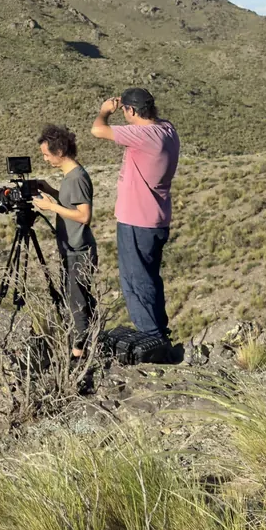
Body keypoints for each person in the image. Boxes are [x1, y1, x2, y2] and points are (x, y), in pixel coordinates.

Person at [91, 87, 179, 341]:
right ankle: (159, 332)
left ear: (130, 110)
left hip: (137, 221)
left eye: (126, 111)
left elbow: (97, 130)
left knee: (136, 281)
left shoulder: (144, 135)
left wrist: (104, 112)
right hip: (156, 218)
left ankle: (151, 339)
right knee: (149, 278)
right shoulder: (167, 130)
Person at [25, 124, 96, 358]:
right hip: (72, 248)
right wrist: (51, 191)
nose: (45, 159)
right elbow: (71, 203)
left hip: (79, 250)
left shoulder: (76, 178)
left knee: (78, 303)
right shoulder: (70, 177)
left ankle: (79, 353)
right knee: (77, 298)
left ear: (60, 151)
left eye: (46, 154)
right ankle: (87, 343)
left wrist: (51, 206)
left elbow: (84, 216)